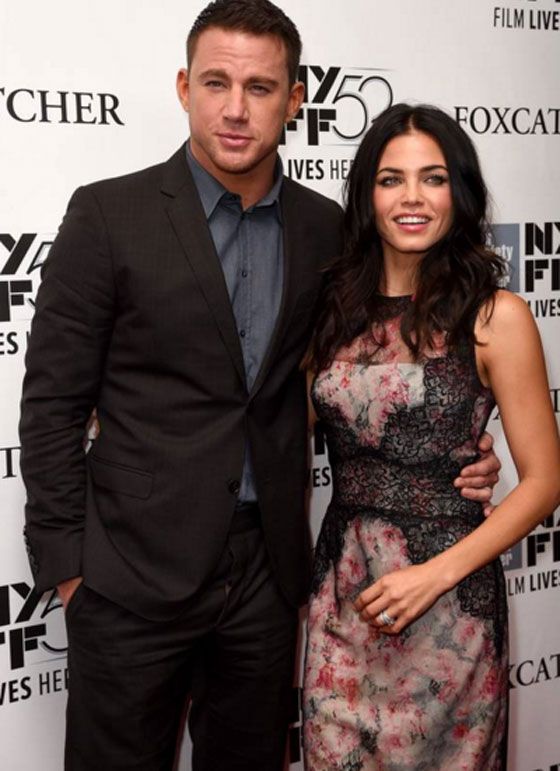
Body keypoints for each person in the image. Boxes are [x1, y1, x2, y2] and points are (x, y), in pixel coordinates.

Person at [19, 2, 500, 768]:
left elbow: (360, 374)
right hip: (129, 575)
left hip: (266, 578)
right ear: (185, 87)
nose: (237, 109)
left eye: (261, 87)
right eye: (217, 82)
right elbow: (51, 404)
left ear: (295, 98)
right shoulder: (109, 214)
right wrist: (71, 573)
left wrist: (454, 452)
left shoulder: (326, 231)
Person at [302, 102, 560, 770]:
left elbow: (544, 483)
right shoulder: (330, 312)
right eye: (391, 179)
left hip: (452, 610)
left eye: (433, 178)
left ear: (459, 193)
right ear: (367, 195)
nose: (412, 197)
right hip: (343, 605)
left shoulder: (496, 317)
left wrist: (435, 575)